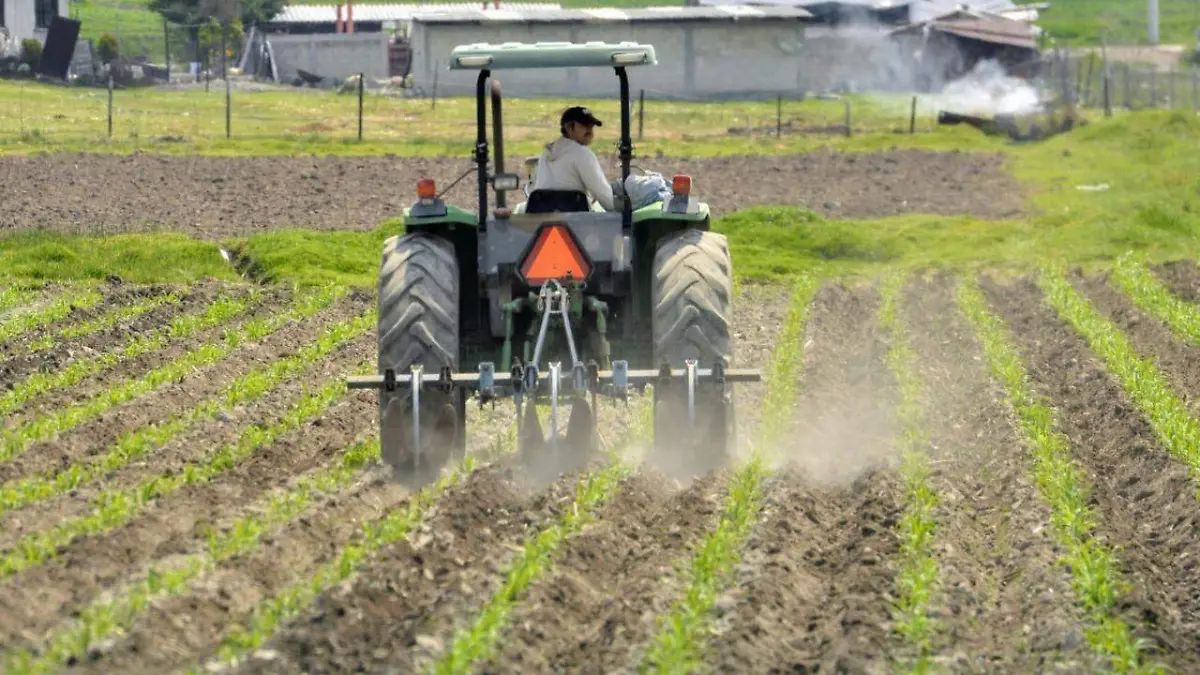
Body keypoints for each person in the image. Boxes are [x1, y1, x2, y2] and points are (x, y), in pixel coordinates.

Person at [528, 106, 617, 211]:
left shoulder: (546, 154)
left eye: (591, 126)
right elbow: (603, 195)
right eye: (584, 125)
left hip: (542, 216)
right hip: (575, 218)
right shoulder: (582, 154)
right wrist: (621, 211)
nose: (589, 130)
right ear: (569, 127)